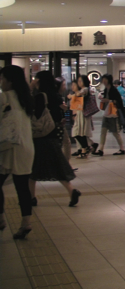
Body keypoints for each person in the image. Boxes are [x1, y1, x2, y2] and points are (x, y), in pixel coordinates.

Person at [29, 71, 81, 208]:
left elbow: (29, 109)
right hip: (52, 134)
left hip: (40, 136)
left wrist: (31, 87)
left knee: (32, 167)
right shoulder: (54, 95)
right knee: (56, 165)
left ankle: (31, 197)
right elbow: (60, 112)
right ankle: (71, 191)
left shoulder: (40, 96)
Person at [0, 65, 36, 240]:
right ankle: (26, 223)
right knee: (22, 188)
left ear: (10, 81)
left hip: (8, 148)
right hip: (26, 148)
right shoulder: (26, 99)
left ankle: (1, 218)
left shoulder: (4, 97)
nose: (1, 82)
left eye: (2, 79)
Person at [92, 74, 125, 156]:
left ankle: (122, 149)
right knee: (103, 131)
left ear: (109, 80)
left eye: (105, 79)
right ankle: (100, 149)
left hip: (112, 114)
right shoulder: (106, 89)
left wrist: (108, 100)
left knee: (115, 132)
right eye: (103, 79)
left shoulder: (113, 90)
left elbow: (118, 101)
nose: (104, 81)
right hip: (107, 113)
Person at [69, 75, 98, 158]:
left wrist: (71, 96)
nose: (79, 83)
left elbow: (79, 94)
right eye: (78, 81)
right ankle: (86, 148)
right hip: (80, 113)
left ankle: (85, 149)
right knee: (78, 132)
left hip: (83, 114)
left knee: (79, 132)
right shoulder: (83, 90)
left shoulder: (85, 89)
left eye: (80, 81)